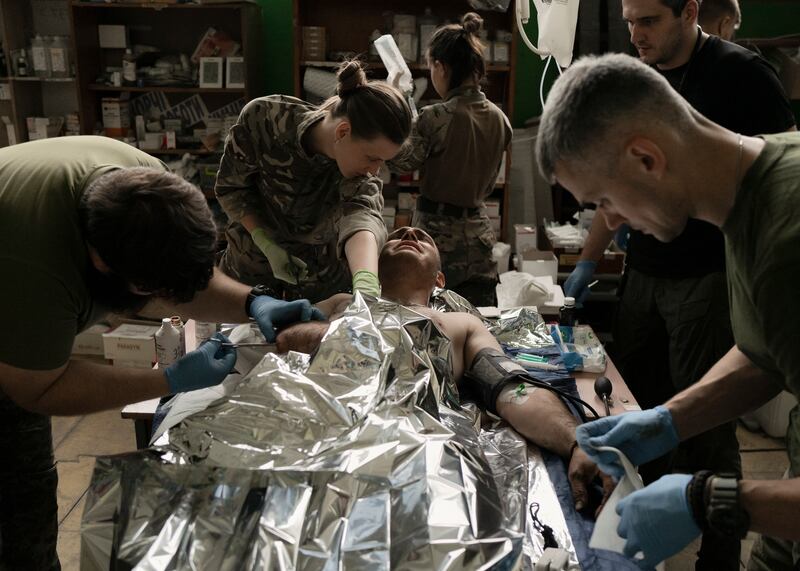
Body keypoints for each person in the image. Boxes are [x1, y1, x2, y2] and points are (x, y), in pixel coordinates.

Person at [0, 136, 323, 569]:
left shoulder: (150, 192)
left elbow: (185, 279)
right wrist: (165, 380)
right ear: (103, 265)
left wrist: (252, 301)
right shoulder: (36, 269)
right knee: (19, 500)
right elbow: (38, 390)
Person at [536, 52, 800, 570]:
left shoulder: (788, 243)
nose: (612, 222)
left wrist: (709, 500)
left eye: (605, 200)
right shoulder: (752, 195)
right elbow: (764, 352)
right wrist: (667, 421)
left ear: (646, 159)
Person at [277, 226, 614, 514]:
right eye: (397, 235)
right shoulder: (342, 303)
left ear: (439, 279)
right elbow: (283, 341)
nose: (409, 234)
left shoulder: (458, 324)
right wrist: (352, 327)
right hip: (311, 435)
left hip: (408, 453)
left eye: (421, 237)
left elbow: (511, 388)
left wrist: (576, 441)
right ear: (373, 266)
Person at [215, 60, 412, 302]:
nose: (375, 170)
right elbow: (233, 188)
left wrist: (366, 279)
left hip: (320, 284)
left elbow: (362, 217)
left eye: (382, 161)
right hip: (250, 272)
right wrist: (264, 241)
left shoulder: (357, 172)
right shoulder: (266, 119)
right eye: (372, 158)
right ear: (342, 132)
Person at [389, 13, 512, 307]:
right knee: (477, 320)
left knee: (430, 322)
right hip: (479, 237)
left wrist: (395, 100)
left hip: (436, 238)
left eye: (431, 66)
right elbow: (489, 181)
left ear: (441, 67)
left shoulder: (435, 117)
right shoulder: (500, 119)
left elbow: (399, 162)